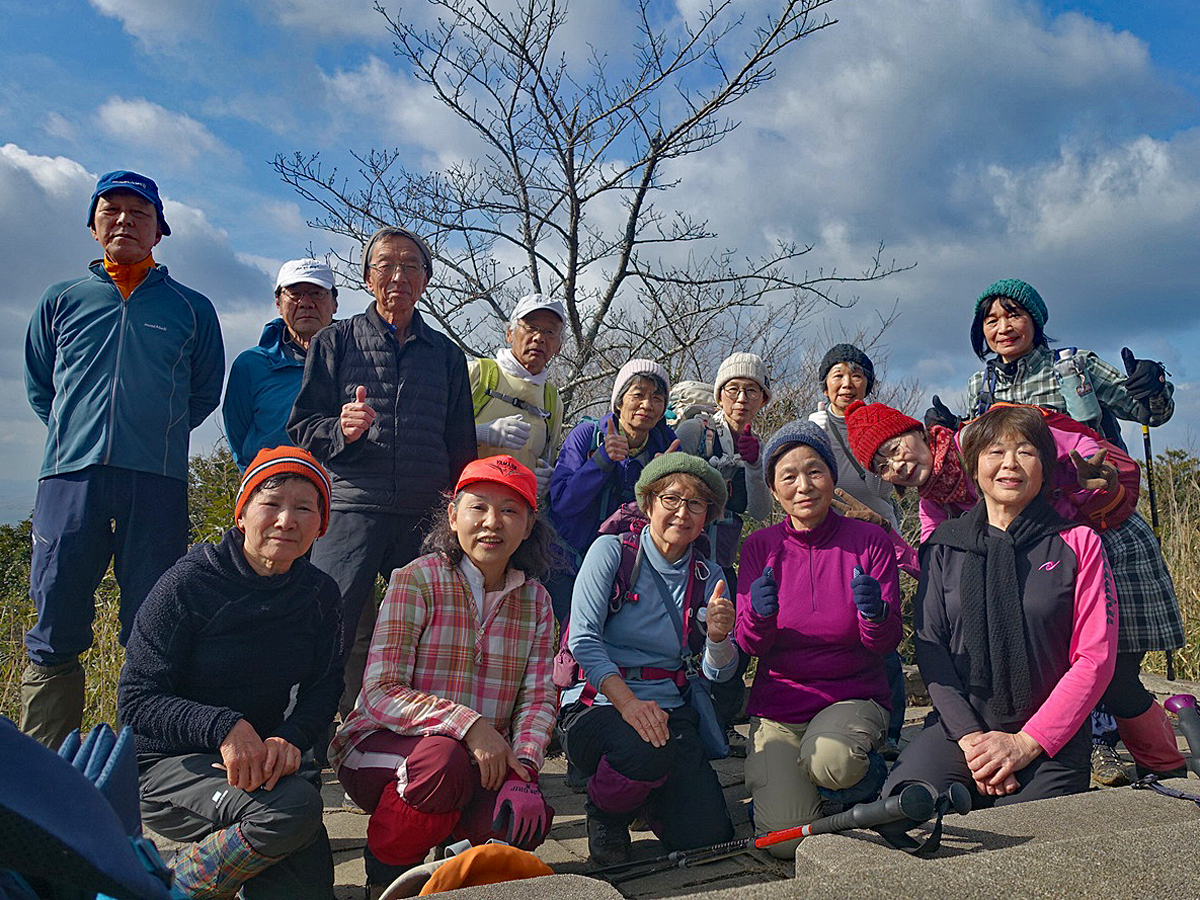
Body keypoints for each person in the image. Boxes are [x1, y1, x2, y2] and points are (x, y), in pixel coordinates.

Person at [845, 399, 1188, 785]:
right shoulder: (933, 506)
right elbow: (935, 572)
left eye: (894, 448)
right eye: (882, 466)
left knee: (1116, 675)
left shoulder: (984, 436)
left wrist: (1092, 470)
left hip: (1101, 541)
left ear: (917, 431)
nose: (897, 465)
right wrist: (886, 536)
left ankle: (1166, 768)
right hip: (1028, 569)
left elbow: (1073, 448)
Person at [22, 170, 225, 749]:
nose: (124, 221)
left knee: (152, 620)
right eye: (111, 211)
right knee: (55, 617)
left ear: (159, 231)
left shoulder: (192, 308)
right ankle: (46, 768)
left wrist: (151, 435)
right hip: (69, 479)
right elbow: (42, 387)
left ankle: (145, 761)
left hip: (155, 482)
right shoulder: (61, 300)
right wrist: (78, 433)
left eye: (140, 214)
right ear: (92, 226)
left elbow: (203, 393)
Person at [117, 447, 342, 899]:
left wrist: (291, 738)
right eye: (271, 503)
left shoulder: (319, 593)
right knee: (291, 810)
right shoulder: (189, 584)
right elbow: (136, 700)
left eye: (304, 508)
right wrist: (224, 727)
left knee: (307, 880)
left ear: (321, 524)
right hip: (165, 765)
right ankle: (169, 888)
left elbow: (325, 687)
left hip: (255, 765)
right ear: (242, 514)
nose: (286, 520)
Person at [330, 456, 557, 897]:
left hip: (480, 760)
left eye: (510, 511)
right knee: (441, 764)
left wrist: (526, 767)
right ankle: (387, 877)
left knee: (520, 819)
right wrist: (469, 726)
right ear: (453, 516)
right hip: (380, 748)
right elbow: (380, 690)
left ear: (529, 526)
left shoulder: (537, 601)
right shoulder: (416, 580)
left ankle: (454, 876)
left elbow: (538, 699)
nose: (492, 523)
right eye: (478, 507)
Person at [878, 406, 1117, 812]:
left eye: (1025, 451)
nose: (1010, 463)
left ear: (1044, 467)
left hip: (1048, 737)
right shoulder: (944, 546)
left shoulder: (1078, 542)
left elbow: (1095, 658)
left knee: (1035, 835)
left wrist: (1025, 743)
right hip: (960, 731)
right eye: (995, 452)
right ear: (973, 467)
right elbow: (931, 647)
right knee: (903, 813)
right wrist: (973, 739)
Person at [287, 225, 476, 723]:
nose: (398, 276)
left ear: (426, 279)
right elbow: (302, 426)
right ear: (368, 278)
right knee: (329, 626)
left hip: (425, 513)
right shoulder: (334, 341)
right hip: (351, 507)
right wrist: (340, 429)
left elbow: (461, 443)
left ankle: (418, 738)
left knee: (427, 632)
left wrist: (458, 510)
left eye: (410, 266)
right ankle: (303, 742)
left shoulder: (446, 355)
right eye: (386, 265)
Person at [560, 453, 737, 866]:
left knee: (708, 836)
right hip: (598, 704)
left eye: (696, 504)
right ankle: (606, 814)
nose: (682, 512)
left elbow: (718, 671)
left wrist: (717, 639)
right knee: (643, 748)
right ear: (649, 502)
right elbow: (583, 640)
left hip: (670, 708)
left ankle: (648, 796)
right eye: (671, 499)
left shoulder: (710, 577)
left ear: (708, 515)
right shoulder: (612, 552)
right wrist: (630, 704)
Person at [735, 422, 901, 859]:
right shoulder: (758, 548)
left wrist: (875, 614)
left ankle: (862, 780)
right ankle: (800, 790)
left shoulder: (869, 540)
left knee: (832, 761)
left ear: (831, 476)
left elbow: (885, 642)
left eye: (815, 471)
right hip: (780, 708)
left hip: (852, 695)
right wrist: (759, 616)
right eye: (788, 476)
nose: (804, 486)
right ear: (774, 490)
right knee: (784, 843)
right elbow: (748, 644)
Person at [807, 343, 909, 759]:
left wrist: (870, 435)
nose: (847, 383)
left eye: (857, 375)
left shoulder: (879, 422)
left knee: (881, 624)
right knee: (840, 624)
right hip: (834, 536)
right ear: (825, 385)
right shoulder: (815, 427)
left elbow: (884, 486)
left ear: (868, 383)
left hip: (880, 534)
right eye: (838, 375)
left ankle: (892, 727)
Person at [928, 278, 1174, 449]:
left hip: (1083, 500)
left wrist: (1154, 387)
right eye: (992, 321)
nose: (1003, 328)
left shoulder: (1076, 365)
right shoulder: (979, 384)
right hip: (1012, 505)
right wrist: (953, 430)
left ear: (1034, 321)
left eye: (1014, 315)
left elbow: (1152, 415)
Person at [674, 352, 772, 754]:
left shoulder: (755, 444)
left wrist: (755, 465)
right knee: (687, 636)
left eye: (752, 391)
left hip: (724, 560)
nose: (742, 399)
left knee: (731, 635)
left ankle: (721, 724)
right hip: (686, 556)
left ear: (763, 399)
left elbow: (761, 511)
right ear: (719, 395)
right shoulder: (695, 431)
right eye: (733, 389)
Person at [547, 359, 677, 621]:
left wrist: (660, 480)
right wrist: (601, 461)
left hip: (625, 571)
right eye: (637, 395)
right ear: (618, 402)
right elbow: (562, 504)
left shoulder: (667, 450)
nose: (647, 405)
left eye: (657, 398)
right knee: (573, 638)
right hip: (568, 564)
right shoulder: (587, 436)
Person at [224, 259, 338, 471]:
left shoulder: (359, 360)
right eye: (294, 294)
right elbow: (238, 438)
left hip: (342, 487)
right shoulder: (250, 365)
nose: (306, 303)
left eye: (317, 293)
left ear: (334, 304)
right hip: (274, 484)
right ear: (278, 303)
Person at [470, 293, 566, 495]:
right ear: (509, 334)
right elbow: (434, 435)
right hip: (468, 502)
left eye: (550, 332)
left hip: (518, 507)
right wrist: (481, 433)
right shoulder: (476, 374)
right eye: (531, 327)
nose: (539, 338)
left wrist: (549, 480)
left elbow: (547, 459)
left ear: (558, 346)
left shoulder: (552, 400)